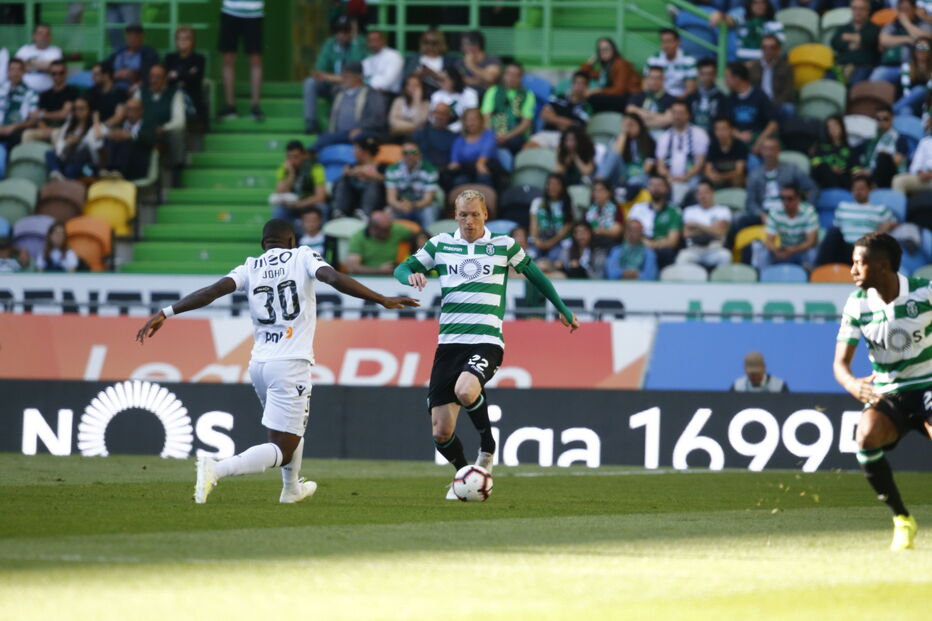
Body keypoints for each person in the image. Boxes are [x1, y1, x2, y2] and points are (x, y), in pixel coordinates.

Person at [136, 218, 418, 504]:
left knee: (290, 432)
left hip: (259, 364)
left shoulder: (250, 265)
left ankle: (291, 488)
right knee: (282, 447)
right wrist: (381, 298)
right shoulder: (303, 255)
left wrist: (167, 312)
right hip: (291, 364)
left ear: (263, 244)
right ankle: (216, 469)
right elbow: (333, 278)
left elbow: (212, 292)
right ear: (292, 241)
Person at [393, 189, 578, 499]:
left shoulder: (503, 246)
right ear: (455, 215)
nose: (469, 220)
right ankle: (466, 476)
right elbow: (402, 267)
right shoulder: (440, 245)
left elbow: (536, 276)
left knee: (465, 390)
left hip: (486, 339)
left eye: (475, 214)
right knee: (441, 432)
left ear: (485, 215)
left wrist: (561, 307)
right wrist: (409, 276)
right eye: (463, 214)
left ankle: (488, 448)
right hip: (449, 343)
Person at [833, 232, 932, 551]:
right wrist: (851, 384)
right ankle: (902, 520)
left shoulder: (924, 292)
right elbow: (840, 364)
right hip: (890, 392)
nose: (853, 270)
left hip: (929, 384)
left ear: (883, 266)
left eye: (860, 263)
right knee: (865, 439)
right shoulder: (857, 304)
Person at [303, 16, 367, 134]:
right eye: (339, 31)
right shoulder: (330, 43)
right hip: (330, 84)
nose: (342, 34)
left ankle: (334, 124)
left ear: (351, 32)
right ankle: (311, 121)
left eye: (346, 31)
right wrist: (333, 78)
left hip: (348, 85)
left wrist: (355, 40)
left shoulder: (359, 42)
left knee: (342, 88)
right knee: (310, 82)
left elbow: (356, 71)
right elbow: (319, 72)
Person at [817, 175, 898, 265]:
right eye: (855, 189)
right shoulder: (843, 207)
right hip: (845, 249)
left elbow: (895, 223)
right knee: (833, 232)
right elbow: (836, 232)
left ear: (869, 190)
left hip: (866, 249)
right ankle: (817, 270)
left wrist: (888, 225)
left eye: (862, 188)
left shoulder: (880, 209)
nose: (858, 192)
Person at [312, 61, 386, 152]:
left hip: (362, 133)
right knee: (324, 136)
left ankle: (310, 152)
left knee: (361, 137)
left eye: (347, 76)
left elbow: (377, 118)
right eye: (343, 76)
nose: (343, 79)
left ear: (358, 77)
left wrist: (361, 128)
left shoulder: (371, 94)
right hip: (339, 133)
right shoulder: (338, 92)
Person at [745, 138, 820, 225]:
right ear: (761, 151)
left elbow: (813, 188)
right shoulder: (754, 174)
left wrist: (804, 209)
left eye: (772, 149)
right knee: (741, 220)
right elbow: (750, 202)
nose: (769, 153)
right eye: (765, 149)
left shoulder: (791, 169)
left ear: (778, 150)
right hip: (764, 214)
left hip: (789, 212)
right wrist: (760, 214)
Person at [751, 183, 819, 271]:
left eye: (790, 199)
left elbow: (811, 242)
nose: (786, 202)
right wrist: (776, 251)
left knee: (812, 252)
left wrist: (792, 250)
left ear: (798, 199)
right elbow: (769, 241)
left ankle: (812, 280)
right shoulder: (775, 212)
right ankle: (763, 280)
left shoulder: (809, 212)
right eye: (783, 198)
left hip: (802, 251)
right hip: (784, 250)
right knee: (763, 252)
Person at [217, 0, 265, 121]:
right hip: (230, 10)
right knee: (228, 58)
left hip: (254, 11)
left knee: (255, 59)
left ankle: (255, 106)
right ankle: (230, 105)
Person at [655, 101, 709, 205]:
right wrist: (669, 177)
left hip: (691, 177)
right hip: (669, 178)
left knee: (697, 185)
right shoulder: (664, 137)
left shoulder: (699, 134)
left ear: (688, 115)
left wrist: (685, 178)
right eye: (674, 113)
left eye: (680, 113)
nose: (677, 116)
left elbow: (699, 163)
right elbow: (660, 165)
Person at [134, 64, 186, 172]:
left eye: (158, 77)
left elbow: (180, 121)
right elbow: (131, 113)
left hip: (162, 133)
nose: (154, 80)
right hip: (142, 131)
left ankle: (177, 170)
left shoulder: (174, 94)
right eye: (152, 76)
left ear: (165, 78)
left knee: (177, 131)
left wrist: (164, 127)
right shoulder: (140, 92)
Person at [627, 175, 683, 268]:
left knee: (666, 253)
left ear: (667, 188)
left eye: (659, 185)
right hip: (639, 244)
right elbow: (628, 233)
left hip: (661, 249)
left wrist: (654, 245)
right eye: (652, 185)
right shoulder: (638, 208)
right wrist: (644, 242)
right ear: (648, 188)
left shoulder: (674, 210)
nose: (655, 188)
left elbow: (673, 241)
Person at [481, 62, 536, 154]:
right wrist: (491, 134)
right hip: (493, 131)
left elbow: (526, 123)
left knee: (515, 143)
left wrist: (506, 137)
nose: (511, 78)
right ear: (504, 75)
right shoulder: (493, 91)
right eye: (509, 74)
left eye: (515, 75)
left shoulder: (528, 95)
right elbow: (486, 117)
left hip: (515, 134)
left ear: (521, 78)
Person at [724, 61, 777, 158]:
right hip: (737, 141)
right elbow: (726, 124)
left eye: (727, 77)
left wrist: (760, 141)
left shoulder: (760, 95)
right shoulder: (729, 99)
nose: (725, 81)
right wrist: (739, 135)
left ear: (737, 78)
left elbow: (773, 123)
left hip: (758, 138)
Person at [528, 70, 592, 150]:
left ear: (587, 86)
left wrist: (553, 118)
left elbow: (575, 127)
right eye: (577, 83)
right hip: (546, 133)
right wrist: (563, 122)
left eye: (583, 84)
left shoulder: (587, 107)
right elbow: (544, 114)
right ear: (572, 84)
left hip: (567, 138)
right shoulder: (558, 97)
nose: (579, 86)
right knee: (527, 148)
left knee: (561, 153)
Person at [676, 179, 732, 269]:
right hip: (694, 249)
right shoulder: (689, 211)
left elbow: (720, 233)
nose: (703, 196)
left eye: (706, 192)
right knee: (682, 258)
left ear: (713, 193)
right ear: (696, 195)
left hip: (714, 249)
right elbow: (687, 234)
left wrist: (697, 225)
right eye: (699, 193)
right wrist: (712, 228)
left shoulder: (723, 210)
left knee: (725, 256)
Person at [270, 140, 327, 228]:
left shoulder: (315, 168)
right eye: (289, 157)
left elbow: (320, 197)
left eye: (296, 157)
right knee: (279, 211)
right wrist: (291, 174)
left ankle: (322, 239)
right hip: (293, 206)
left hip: (310, 204)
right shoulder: (284, 169)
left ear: (304, 155)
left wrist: (300, 204)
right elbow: (279, 192)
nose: (292, 161)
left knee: (323, 208)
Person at [873, 0, 931, 86]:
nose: (904, 13)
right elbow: (883, 40)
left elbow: (921, 39)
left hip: (914, 66)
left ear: (914, 9)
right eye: (901, 10)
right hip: (890, 66)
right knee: (874, 79)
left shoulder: (922, 24)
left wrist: (906, 23)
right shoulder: (893, 24)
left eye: (907, 9)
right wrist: (907, 39)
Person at [21, 60, 77, 144]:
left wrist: (43, 115)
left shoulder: (72, 92)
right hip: (46, 127)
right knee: (27, 134)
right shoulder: (45, 94)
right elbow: (36, 116)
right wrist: (44, 128)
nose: (57, 76)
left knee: (56, 134)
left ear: (65, 74)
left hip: (64, 128)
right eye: (54, 73)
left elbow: (64, 114)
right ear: (50, 74)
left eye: (61, 73)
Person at [596, 113, 656, 192]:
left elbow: (647, 168)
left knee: (635, 180)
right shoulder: (619, 139)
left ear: (639, 125)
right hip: (623, 172)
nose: (628, 128)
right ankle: (599, 182)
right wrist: (624, 134)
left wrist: (633, 175)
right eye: (626, 125)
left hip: (640, 174)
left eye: (631, 125)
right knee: (612, 155)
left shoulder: (649, 141)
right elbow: (616, 156)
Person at [385, 141, 439, 228]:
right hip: (401, 205)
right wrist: (401, 205)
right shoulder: (392, 169)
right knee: (386, 214)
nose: (409, 156)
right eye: (406, 153)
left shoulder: (430, 170)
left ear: (419, 154)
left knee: (429, 212)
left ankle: (430, 239)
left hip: (422, 206)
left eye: (413, 152)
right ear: (401, 155)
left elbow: (428, 200)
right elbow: (391, 199)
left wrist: (412, 205)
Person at [0, 58, 39, 178]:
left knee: (16, 136)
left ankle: (10, 175)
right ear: (7, 71)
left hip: (15, 130)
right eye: (12, 69)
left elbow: (33, 121)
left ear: (24, 72)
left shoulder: (31, 93)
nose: (15, 73)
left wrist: (13, 126)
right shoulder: (1, 90)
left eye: (18, 70)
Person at [45, 96, 100, 180]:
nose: (78, 112)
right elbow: (60, 146)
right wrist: (68, 142)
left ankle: (64, 183)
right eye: (76, 109)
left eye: (82, 108)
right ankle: (57, 173)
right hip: (68, 158)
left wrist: (96, 120)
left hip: (86, 165)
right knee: (49, 154)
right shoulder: (70, 125)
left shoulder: (95, 127)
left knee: (70, 169)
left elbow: (97, 141)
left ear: (89, 110)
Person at [579, 37, 641, 112]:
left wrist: (597, 90)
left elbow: (620, 90)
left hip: (630, 98)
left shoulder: (621, 64)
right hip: (619, 97)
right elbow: (583, 73)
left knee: (594, 97)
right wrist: (592, 59)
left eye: (606, 49)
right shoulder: (607, 69)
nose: (603, 52)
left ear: (613, 50)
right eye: (600, 50)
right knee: (589, 96)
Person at [445, 107, 500, 191]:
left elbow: (486, 152)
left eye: (474, 120)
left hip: (487, 170)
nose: (471, 123)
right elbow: (455, 162)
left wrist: (480, 163)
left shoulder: (489, 135)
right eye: (468, 120)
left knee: (483, 177)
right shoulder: (459, 140)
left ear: (481, 121)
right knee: (459, 181)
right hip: (466, 172)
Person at [709, 0, 783, 62]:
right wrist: (720, 15)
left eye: (762, 3)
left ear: (767, 5)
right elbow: (728, 20)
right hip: (739, 63)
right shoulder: (741, 20)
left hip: (763, 65)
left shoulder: (775, 25)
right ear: (750, 4)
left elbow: (777, 49)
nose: (759, 6)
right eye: (755, 3)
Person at [344, 209, 413, 275]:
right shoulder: (358, 238)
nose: (390, 231)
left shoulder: (395, 229)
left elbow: (418, 234)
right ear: (373, 229)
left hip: (394, 277)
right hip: (368, 279)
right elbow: (352, 268)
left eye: (390, 227)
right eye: (385, 230)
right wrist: (380, 271)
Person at [528, 173, 575, 270]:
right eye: (549, 184)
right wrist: (537, 241)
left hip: (559, 242)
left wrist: (549, 243)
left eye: (556, 184)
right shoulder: (537, 202)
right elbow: (533, 227)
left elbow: (566, 229)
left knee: (555, 258)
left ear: (562, 187)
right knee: (530, 257)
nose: (551, 187)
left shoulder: (568, 204)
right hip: (540, 240)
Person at [100, 97, 154, 181]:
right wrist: (112, 134)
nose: (131, 112)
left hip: (136, 166)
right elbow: (100, 133)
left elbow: (150, 140)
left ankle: (119, 171)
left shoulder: (147, 125)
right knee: (110, 138)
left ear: (141, 111)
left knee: (128, 140)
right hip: (113, 168)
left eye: (134, 109)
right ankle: (110, 170)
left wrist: (131, 135)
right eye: (128, 109)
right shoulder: (119, 125)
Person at [332, 135, 385, 218]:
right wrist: (345, 175)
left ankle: (365, 215)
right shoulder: (351, 167)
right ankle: (340, 212)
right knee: (342, 181)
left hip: (374, 204)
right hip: (352, 201)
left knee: (373, 183)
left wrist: (369, 175)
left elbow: (389, 182)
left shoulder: (382, 167)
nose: (353, 152)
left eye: (356, 149)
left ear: (365, 152)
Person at [164, 26, 207, 122]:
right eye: (180, 38)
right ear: (176, 41)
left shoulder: (199, 59)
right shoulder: (170, 58)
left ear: (192, 41)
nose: (183, 41)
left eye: (186, 38)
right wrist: (187, 73)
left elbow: (195, 80)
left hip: (192, 99)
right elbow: (165, 79)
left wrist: (176, 75)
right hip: (171, 97)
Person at [862, 105, 911, 188]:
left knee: (882, 157)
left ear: (892, 118)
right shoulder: (871, 139)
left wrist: (871, 172)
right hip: (868, 174)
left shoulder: (899, 138)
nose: (881, 122)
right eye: (878, 119)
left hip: (890, 177)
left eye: (885, 119)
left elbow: (897, 161)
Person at [832, 0, 881, 85]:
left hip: (863, 67)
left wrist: (846, 37)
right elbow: (835, 42)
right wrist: (849, 45)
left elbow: (870, 40)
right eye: (855, 8)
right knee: (827, 81)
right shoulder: (843, 27)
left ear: (868, 11)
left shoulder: (874, 28)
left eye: (861, 9)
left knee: (856, 82)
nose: (858, 12)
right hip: (841, 66)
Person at [749, 35, 795, 120]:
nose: (768, 51)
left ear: (778, 49)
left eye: (772, 47)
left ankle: (787, 133)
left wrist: (773, 104)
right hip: (757, 103)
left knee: (789, 109)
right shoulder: (753, 66)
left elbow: (788, 90)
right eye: (764, 47)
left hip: (777, 103)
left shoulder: (786, 67)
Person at [811, 115, 859, 190]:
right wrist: (831, 169)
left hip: (844, 180)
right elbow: (816, 165)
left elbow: (856, 169)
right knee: (823, 168)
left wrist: (844, 171)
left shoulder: (850, 149)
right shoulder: (820, 146)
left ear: (841, 127)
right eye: (829, 127)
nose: (832, 129)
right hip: (825, 181)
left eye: (835, 125)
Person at [645, 29, 697, 99]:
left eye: (669, 41)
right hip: (659, 98)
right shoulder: (654, 60)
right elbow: (645, 84)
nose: (666, 45)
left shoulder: (688, 60)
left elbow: (691, 87)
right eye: (663, 42)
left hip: (680, 99)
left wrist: (675, 101)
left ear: (677, 42)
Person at [402, 27, 453, 97]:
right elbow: (405, 79)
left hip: (440, 95)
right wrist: (416, 74)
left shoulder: (447, 60)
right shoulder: (415, 58)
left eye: (434, 43)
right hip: (417, 95)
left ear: (441, 43)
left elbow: (452, 82)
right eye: (426, 42)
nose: (430, 46)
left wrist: (433, 73)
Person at [108, 24, 159, 92]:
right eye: (130, 36)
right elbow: (106, 68)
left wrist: (136, 84)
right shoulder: (119, 52)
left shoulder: (149, 54)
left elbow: (150, 76)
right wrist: (116, 75)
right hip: (114, 88)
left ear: (142, 37)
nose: (132, 39)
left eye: (135, 36)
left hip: (137, 89)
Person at [14, 23, 62, 93]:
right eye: (40, 33)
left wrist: (30, 62)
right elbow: (16, 68)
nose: (43, 36)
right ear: (34, 36)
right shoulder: (24, 50)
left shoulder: (56, 51)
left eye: (46, 34)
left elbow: (54, 69)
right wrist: (45, 65)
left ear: (50, 37)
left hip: (49, 91)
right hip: (25, 91)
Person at [429, 67, 478, 135]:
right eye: (439, 80)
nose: (441, 83)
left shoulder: (470, 94)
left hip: (463, 131)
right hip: (441, 131)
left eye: (443, 80)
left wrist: (453, 128)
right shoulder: (436, 95)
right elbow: (433, 118)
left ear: (453, 80)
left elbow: (471, 116)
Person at [624, 66, 675, 130]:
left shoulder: (670, 98)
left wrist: (642, 118)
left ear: (663, 80)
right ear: (646, 79)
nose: (655, 81)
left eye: (658, 78)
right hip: (640, 133)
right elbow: (630, 111)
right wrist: (658, 117)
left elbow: (668, 119)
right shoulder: (637, 96)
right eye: (652, 78)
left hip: (662, 133)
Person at [704, 116, 748, 189]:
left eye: (723, 129)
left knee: (738, 180)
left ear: (731, 130)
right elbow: (707, 169)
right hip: (718, 178)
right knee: (707, 182)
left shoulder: (739, 145)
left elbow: (739, 171)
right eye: (718, 129)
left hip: (733, 178)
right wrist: (712, 176)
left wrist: (722, 177)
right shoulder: (712, 146)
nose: (720, 132)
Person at [686, 58, 727, 134]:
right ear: (698, 74)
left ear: (715, 74)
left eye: (710, 74)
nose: (707, 78)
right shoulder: (691, 97)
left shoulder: (723, 98)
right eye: (703, 74)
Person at [362, 30, 404, 102]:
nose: (373, 43)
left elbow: (387, 83)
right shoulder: (367, 60)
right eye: (370, 41)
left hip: (389, 95)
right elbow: (362, 78)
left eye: (375, 40)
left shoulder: (393, 56)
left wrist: (369, 82)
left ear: (383, 40)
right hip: (370, 92)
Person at [414, 103, 457, 170]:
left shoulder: (454, 137)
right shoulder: (421, 133)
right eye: (437, 113)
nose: (439, 117)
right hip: (421, 172)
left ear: (448, 116)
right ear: (432, 114)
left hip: (444, 173)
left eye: (443, 114)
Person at [896, 37, 932, 116]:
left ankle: (892, 111)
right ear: (914, 50)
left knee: (920, 90)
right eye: (918, 47)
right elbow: (900, 90)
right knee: (905, 111)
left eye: (925, 47)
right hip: (910, 103)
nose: (921, 50)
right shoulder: (906, 67)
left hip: (927, 105)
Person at [86, 62, 127, 128]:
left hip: (111, 129)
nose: (93, 77)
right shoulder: (91, 92)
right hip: (93, 127)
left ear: (106, 75)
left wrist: (101, 128)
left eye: (96, 74)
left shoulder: (120, 93)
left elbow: (119, 117)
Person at [584, 178, 624, 247]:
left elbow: (616, 232)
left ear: (609, 193)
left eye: (600, 190)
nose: (597, 193)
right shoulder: (589, 209)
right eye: (595, 190)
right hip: (590, 244)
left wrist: (597, 230)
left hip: (611, 244)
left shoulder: (616, 208)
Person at [389, 74, 429, 139]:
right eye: (409, 85)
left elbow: (419, 122)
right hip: (397, 135)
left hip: (416, 138)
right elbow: (392, 121)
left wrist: (417, 101)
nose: (412, 88)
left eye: (416, 85)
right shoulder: (398, 101)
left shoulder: (426, 104)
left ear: (421, 88)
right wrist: (413, 126)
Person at [892, 130, 932, 194]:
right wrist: (920, 172)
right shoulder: (925, 141)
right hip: (923, 177)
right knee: (898, 181)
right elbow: (915, 165)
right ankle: (899, 204)